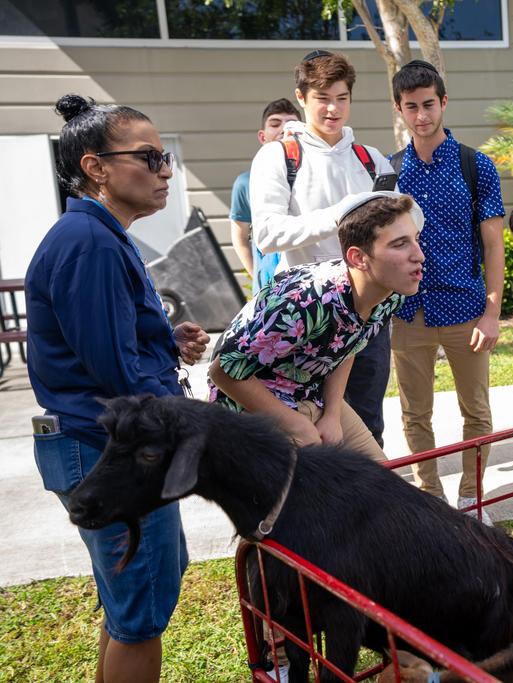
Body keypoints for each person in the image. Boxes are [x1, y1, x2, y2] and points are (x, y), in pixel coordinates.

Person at [25, 94, 210, 683]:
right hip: (107, 450)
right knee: (140, 615)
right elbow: (117, 375)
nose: (165, 171)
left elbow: (106, 347)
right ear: (95, 167)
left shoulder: (100, 235)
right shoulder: (90, 242)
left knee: (131, 606)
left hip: (100, 446)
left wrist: (164, 342)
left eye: (165, 157)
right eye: (149, 157)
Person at [249, 49, 395, 448]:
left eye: (342, 98)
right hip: (306, 321)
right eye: (323, 98)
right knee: (305, 436)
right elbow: (267, 234)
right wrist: (342, 215)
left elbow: (397, 229)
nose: (333, 109)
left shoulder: (372, 160)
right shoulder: (278, 156)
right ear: (301, 97)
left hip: (366, 318)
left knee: (367, 428)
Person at [209, 192, 424, 461]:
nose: (419, 255)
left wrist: (332, 414)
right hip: (253, 409)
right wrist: (296, 425)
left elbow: (346, 346)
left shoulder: (390, 293)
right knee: (311, 488)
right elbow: (222, 372)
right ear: (358, 258)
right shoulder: (306, 301)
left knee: (383, 483)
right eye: (400, 244)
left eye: (416, 239)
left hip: (313, 393)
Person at [390, 60, 506, 521]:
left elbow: (494, 245)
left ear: (443, 102)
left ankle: (472, 499)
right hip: (409, 314)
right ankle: (430, 498)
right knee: (415, 414)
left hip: (467, 311)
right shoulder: (389, 172)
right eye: (411, 107)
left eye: (428, 104)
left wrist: (492, 313)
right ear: (399, 109)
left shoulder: (476, 166)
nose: (421, 115)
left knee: (476, 412)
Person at [229, 98, 302, 294]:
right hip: (269, 293)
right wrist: (259, 278)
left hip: (310, 289)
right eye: (275, 124)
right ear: (262, 136)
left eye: (291, 124)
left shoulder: (318, 177)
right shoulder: (246, 183)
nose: (283, 129)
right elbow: (240, 237)